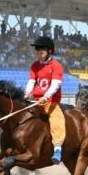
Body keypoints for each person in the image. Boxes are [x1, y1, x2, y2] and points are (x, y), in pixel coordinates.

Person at [24, 36, 65, 164]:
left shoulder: (56, 66)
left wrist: (45, 96)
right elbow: (31, 81)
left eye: (41, 52)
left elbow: (55, 85)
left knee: (56, 119)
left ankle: (57, 148)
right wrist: (27, 93)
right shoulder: (34, 65)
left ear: (49, 52)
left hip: (50, 101)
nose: (39, 55)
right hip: (34, 99)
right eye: (37, 53)